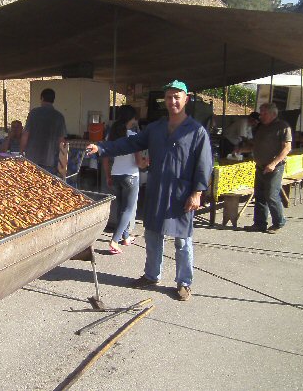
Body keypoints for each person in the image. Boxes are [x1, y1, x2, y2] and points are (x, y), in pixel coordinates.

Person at [87, 80, 212, 301]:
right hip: (157, 189)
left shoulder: (196, 131)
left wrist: (197, 193)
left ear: (186, 99)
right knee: (153, 235)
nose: (172, 101)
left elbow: (204, 164)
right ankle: (151, 275)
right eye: (169, 97)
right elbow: (129, 145)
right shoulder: (155, 128)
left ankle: (184, 283)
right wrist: (102, 148)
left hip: (182, 193)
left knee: (183, 241)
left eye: (177, 97)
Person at [101, 106, 148, 255]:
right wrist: (147, 162)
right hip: (130, 177)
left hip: (116, 175)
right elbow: (139, 162)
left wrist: (108, 175)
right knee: (128, 209)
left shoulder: (112, 136)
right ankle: (115, 240)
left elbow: (105, 159)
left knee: (122, 208)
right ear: (132, 119)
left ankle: (126, 237)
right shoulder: (133, 136)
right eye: (135, 118)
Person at [240, 103, 292, 234]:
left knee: (271, 195)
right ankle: (259, 224)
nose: (261, 116)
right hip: (260, 166)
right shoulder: (261, 127)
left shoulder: (282, 127)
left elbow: (287, 148)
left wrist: (274, 163)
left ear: (273, 114)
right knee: (259, 196)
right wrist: (241, 149)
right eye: (261, 113)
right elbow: (255, 146)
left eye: (264, 113)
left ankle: (279, 222)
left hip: (275, 167)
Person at [20, 88, 67, 174]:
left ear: (42, 98)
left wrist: (21, 151)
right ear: (53, 100)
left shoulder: (33, 113)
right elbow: (62, 141)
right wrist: (63, 163)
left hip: (32, 158)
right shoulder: (59, 116)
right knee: (46, 186)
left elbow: (25, 135)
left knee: (30, 184)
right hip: (50, 160)